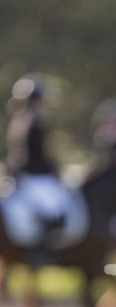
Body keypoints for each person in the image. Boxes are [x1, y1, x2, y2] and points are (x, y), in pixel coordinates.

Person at [4, 76, 72, 255]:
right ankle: (39, 252)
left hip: (36, 173)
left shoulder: (27, 120)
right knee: (54, 212)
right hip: (33, 175)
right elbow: (25, 155)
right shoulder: (26, 121)